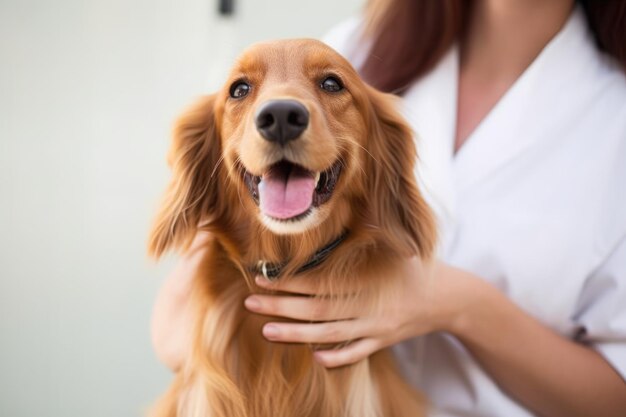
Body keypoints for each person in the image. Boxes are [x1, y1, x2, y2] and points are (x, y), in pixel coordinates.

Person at [151, 1, 626, 416]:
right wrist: (214, 341)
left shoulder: (613, 117)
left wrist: (455, 303)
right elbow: (173, 328)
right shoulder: (358, 46)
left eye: (330, 86)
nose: (283, 111)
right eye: (242, 91)